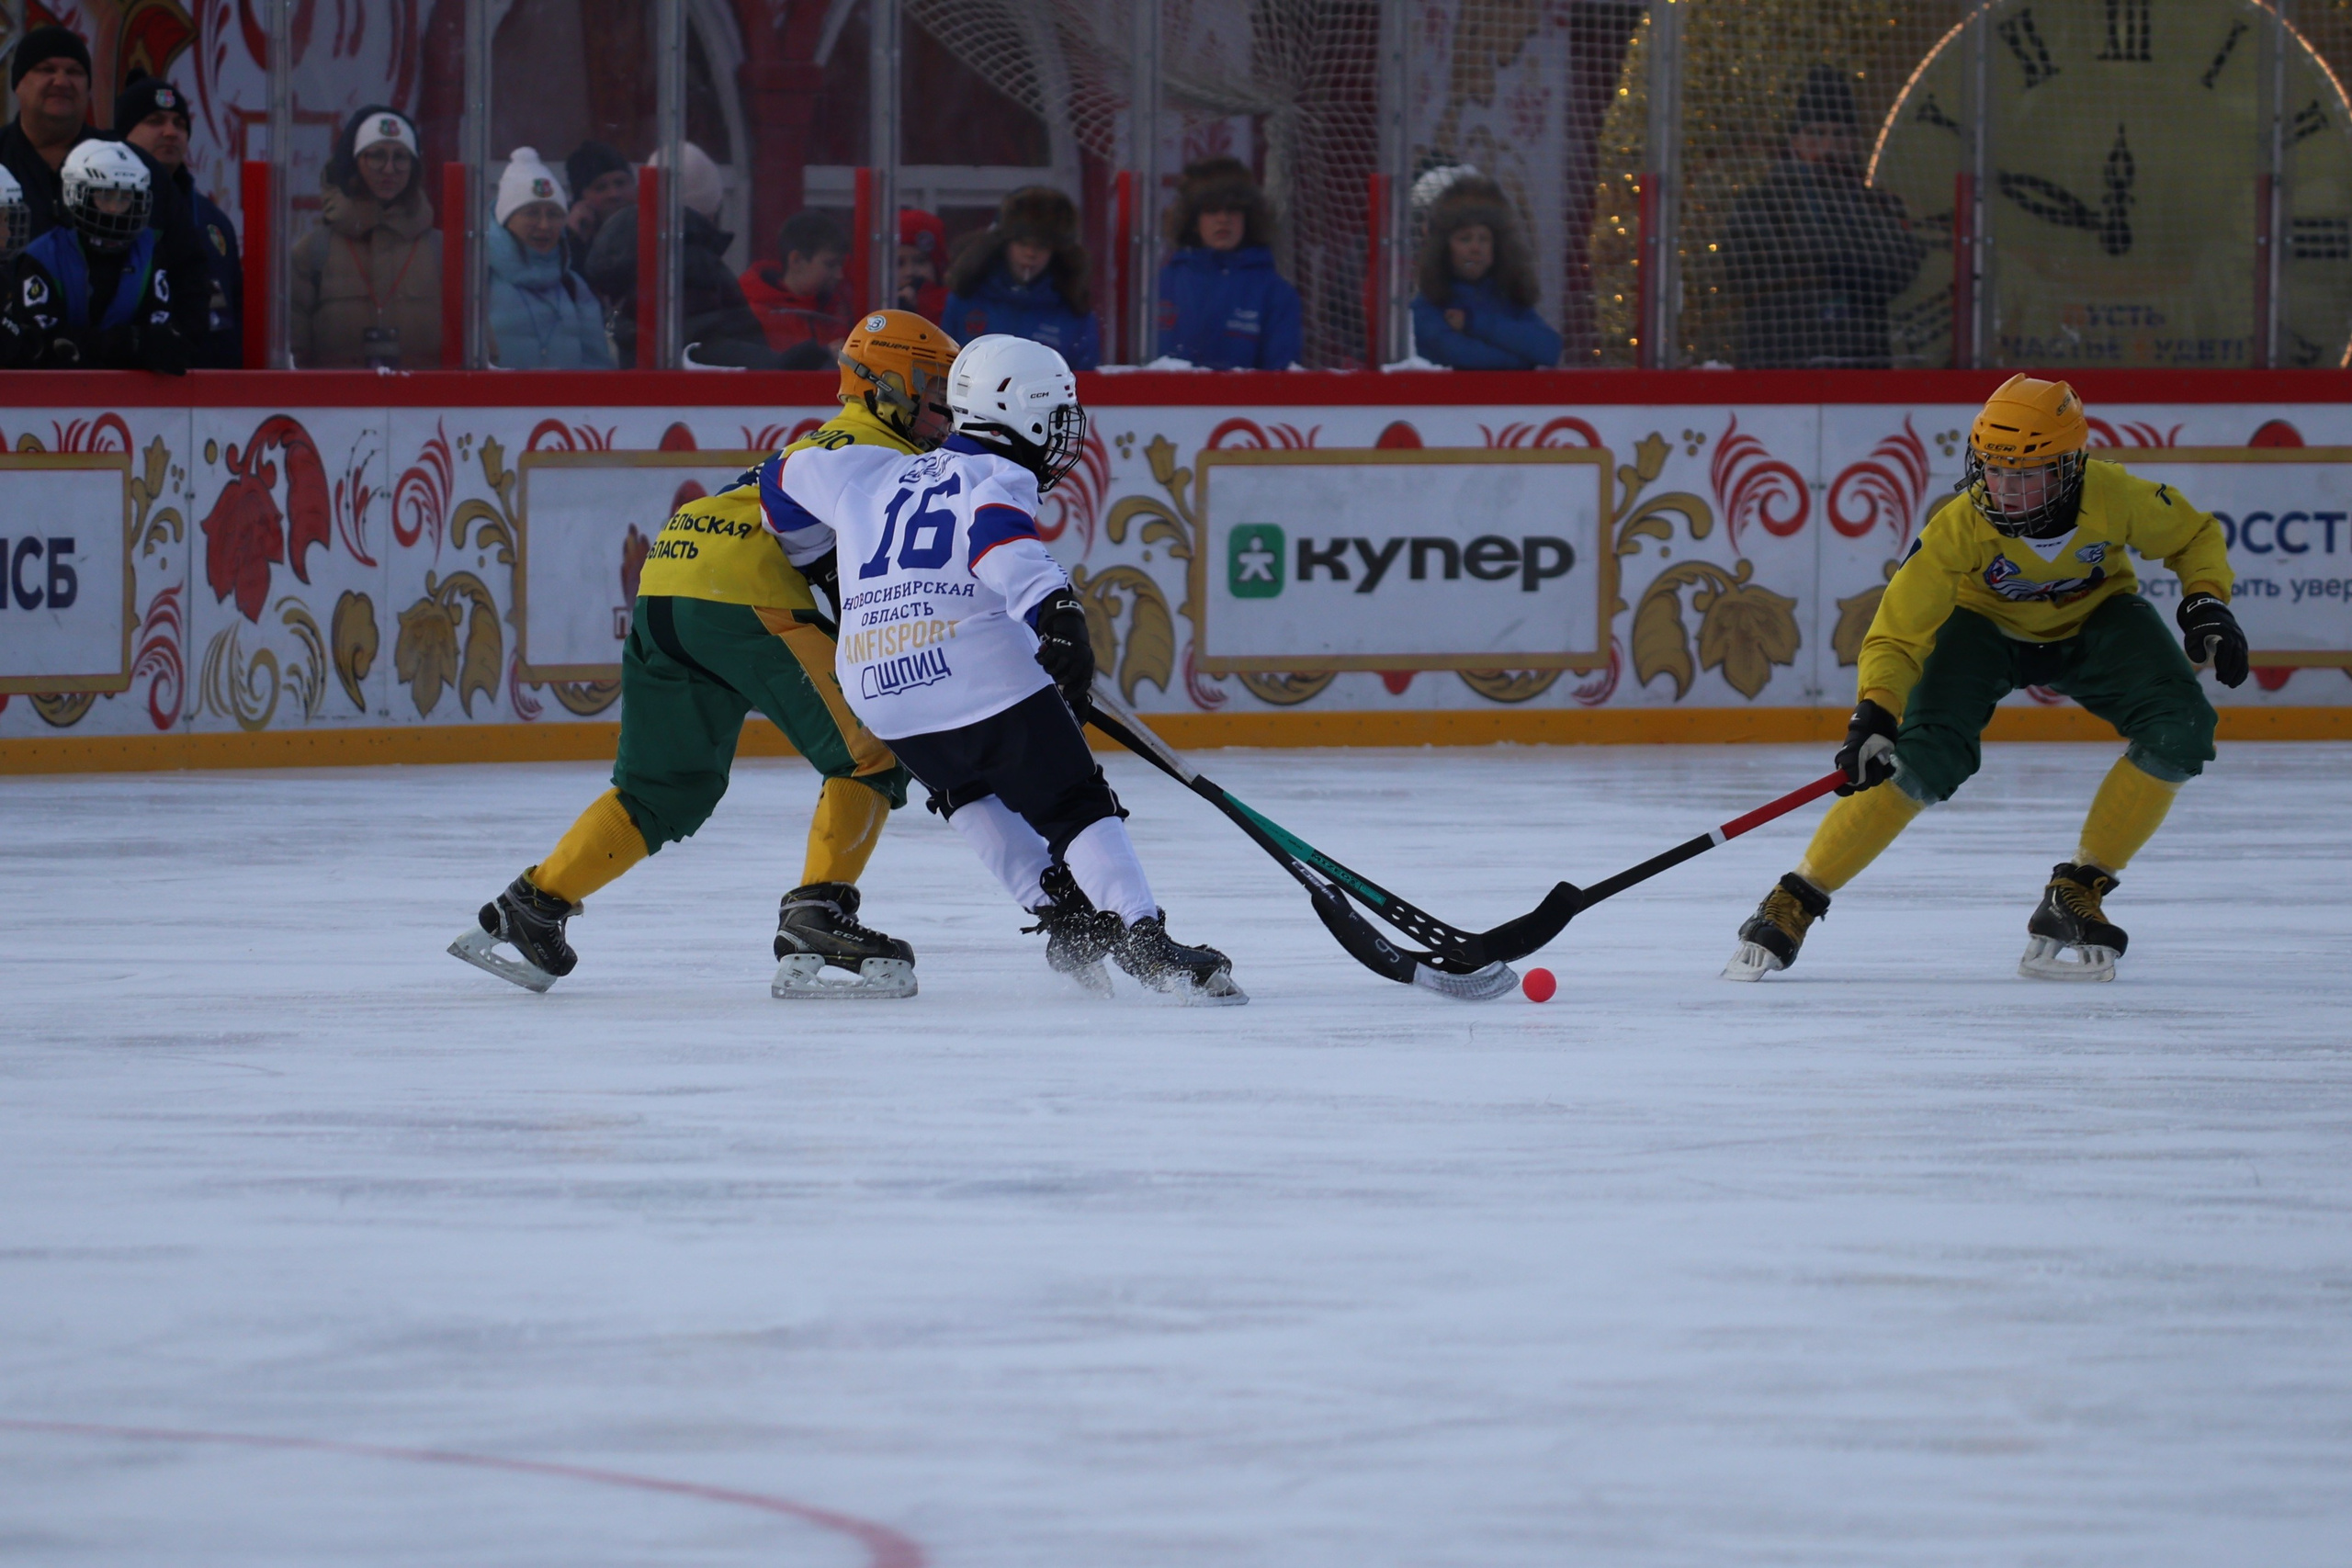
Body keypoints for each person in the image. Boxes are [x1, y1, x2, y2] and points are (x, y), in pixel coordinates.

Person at [449, 310, 961, 999]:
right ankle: (818, 914)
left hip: (668, 577)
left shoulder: (828, 439)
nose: (946, 407)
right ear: (889, 385)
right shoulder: (893, 459)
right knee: (871, 750)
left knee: (663, 788)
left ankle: (535, 904)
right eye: (935, 388)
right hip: (741, 590)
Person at [763, 334, 1242, 1002]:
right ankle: (1142, 935)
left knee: (967, 792)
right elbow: (997, 538)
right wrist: (1057, 612)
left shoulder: (870, 470)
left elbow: (778, 479)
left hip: (877, 683)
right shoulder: (997, 475)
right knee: (1073, 802)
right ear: (1025, 414)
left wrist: (827, 570)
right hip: (974, 671)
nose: (1065, 432)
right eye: (1058, 414)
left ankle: (1064, 918)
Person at [1725, 376, 2247, 984]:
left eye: (2027, 475)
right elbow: (1897, 633)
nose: (2005, 490)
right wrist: (1876, 711)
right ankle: (1794, 898)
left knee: (2182, 726)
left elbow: (2194, 535)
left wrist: (2206, 600)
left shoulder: (2116, 495)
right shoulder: (1958, 527)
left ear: (2070, 468)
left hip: (2096, 620)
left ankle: (2078, 888)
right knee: (1924, 757)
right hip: (1980, 631)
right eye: (1994, 471)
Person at [2, 27, 208, 347]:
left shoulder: (136, 168)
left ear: (88, 87)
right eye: (46, 69)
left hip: (125, 368)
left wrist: (172, 341)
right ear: (18, 84)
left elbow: (188, 267)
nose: (61, 81)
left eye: (75, 72)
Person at [1720, 65, 1923, 368]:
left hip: (1859, 357)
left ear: (1854, 141)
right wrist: (1844, 264)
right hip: (1779, 357)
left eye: (1839, 135)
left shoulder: (1878, 204)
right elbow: (1744, 268)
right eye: (1817, 133)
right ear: (1795, 141)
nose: (1828, 147)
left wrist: (1822, 263)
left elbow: (1901, 266)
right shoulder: (1761, 202)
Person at [1, 139, 188, 371]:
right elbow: (42, 342)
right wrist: (122, 344)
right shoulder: (44, 256)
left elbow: (164, 332)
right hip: (58, 388)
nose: (114, 208)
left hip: (133, 390)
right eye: (105, 195)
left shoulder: (149, 252)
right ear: (79, 194)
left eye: (124, 197)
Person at [584, 141, 775, 367]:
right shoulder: (696, 264)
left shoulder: (623, 256)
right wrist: (786, 364)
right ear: (710, 208)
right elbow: (713, 339)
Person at [289, 106, 442, 368]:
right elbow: (293, 356)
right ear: (355, 163)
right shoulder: (314, 251)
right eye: (377, 156)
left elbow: (480, 352)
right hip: (338, 395)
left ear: (414, 167)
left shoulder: (442, 250)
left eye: (401, 157)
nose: (389, 169)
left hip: (426, 396)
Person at [116, 73, 241, 367]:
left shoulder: (213, 221)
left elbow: (232, 315)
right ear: (124, 133)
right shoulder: (102, 210)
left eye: (180, 124)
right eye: (155, 121)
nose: (171, 132)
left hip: (212, 384)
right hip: (131, 383)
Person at [1154, 156, 1301, 369]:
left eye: (1233, 209)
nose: (1223, 219)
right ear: (1193, 221)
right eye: (1212, 210)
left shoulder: (1275, 293)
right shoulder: (1160, 286)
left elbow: (1282, 379)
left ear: (1248, 218)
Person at [1408, 175, 1561, 369]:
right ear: (1443, 247)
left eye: (1484, 239)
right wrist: (1524, 359)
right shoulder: (1428, 306)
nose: (1476, 248)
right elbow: (1464, 357)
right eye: (1465, 239)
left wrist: (1473, 323)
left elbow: (1550, 348)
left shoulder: (1507, 298)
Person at [942, 186, 1100, 370]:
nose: (1030, 253)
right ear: (1005, 242)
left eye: (1041, 245)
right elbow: (944, 368)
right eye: (1022, 243)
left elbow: (1086, 380)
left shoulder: (1072, 311)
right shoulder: (967, 297)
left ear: (1056, 250)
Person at [486, 148, 611, 369]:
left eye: (553, 214)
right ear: (506, 220)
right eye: (532, 213)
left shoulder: (572, 286)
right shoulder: (480, 281)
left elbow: (597, 366)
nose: (544, 225)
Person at [739, 209, 847, 367]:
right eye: (830, 264)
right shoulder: (753, 316)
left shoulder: (836, 312)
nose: (839, 275)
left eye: (840, 265)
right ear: (796, 260)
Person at [562, 140, 632, 283]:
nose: (614, 194)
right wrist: (574, 239)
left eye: (620, 183)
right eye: (601, 188)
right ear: (581, 198)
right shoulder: (560, 239)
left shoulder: (655, 228)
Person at [896, 207, 948, 321]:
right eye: (899, 264)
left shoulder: (956, 309)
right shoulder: (872, 308)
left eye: (921, 261)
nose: (910, 272)